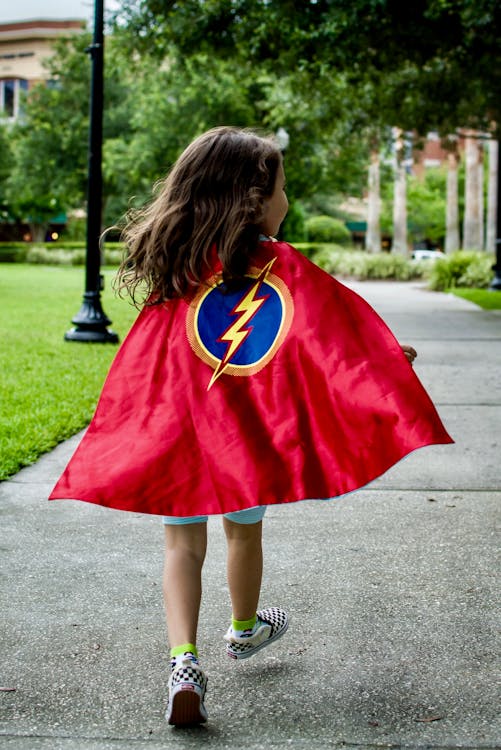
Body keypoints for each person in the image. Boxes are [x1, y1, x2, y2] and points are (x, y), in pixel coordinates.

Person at [50, 126, 452, 727]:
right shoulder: (281, 266)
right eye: (283, 188)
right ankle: (243, 629)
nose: (287, 200)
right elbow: (329, 339)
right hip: (244, 438)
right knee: (243, 532)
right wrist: (386, 361)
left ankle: (184, 661)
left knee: (182, 544)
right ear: (254, 198)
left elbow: (153, 356)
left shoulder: (181, 265)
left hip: (180, 434)